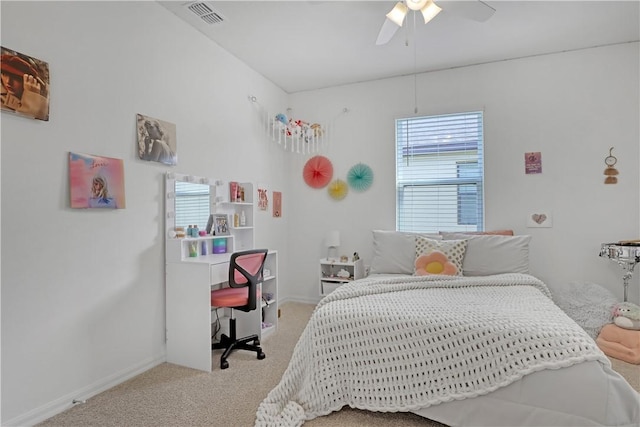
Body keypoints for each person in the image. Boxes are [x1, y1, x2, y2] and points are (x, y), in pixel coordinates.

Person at [1, 53, 49, 120]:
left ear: (31, 80)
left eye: (15, 77)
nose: (8, 81)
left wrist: (32, 96)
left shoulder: (45, 99)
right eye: (4, 74)